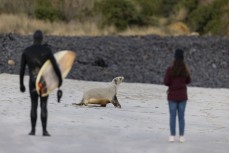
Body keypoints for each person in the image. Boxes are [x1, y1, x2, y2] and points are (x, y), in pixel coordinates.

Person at [20, 30, 62, 136]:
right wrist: (60, 80)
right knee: (44, 105)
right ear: (42, 38)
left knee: (33, 105)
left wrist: (21, 84)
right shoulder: (47, 51)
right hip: (43, 82)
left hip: (32, 82)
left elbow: (21, 69)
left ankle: (33, 130)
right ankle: (44, 131)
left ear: (33, 38)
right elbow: (55, 67)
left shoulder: (26, 51)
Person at [163, 49, 191, 143]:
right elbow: (188, 81)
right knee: (181, 117)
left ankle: (172, 136)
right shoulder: (185, 69)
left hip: (172, 96)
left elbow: (166, 82)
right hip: (182, 96)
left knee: (172, 116)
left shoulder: (170, 69)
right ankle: (181, 136)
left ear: (174, 58)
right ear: (183, 58)